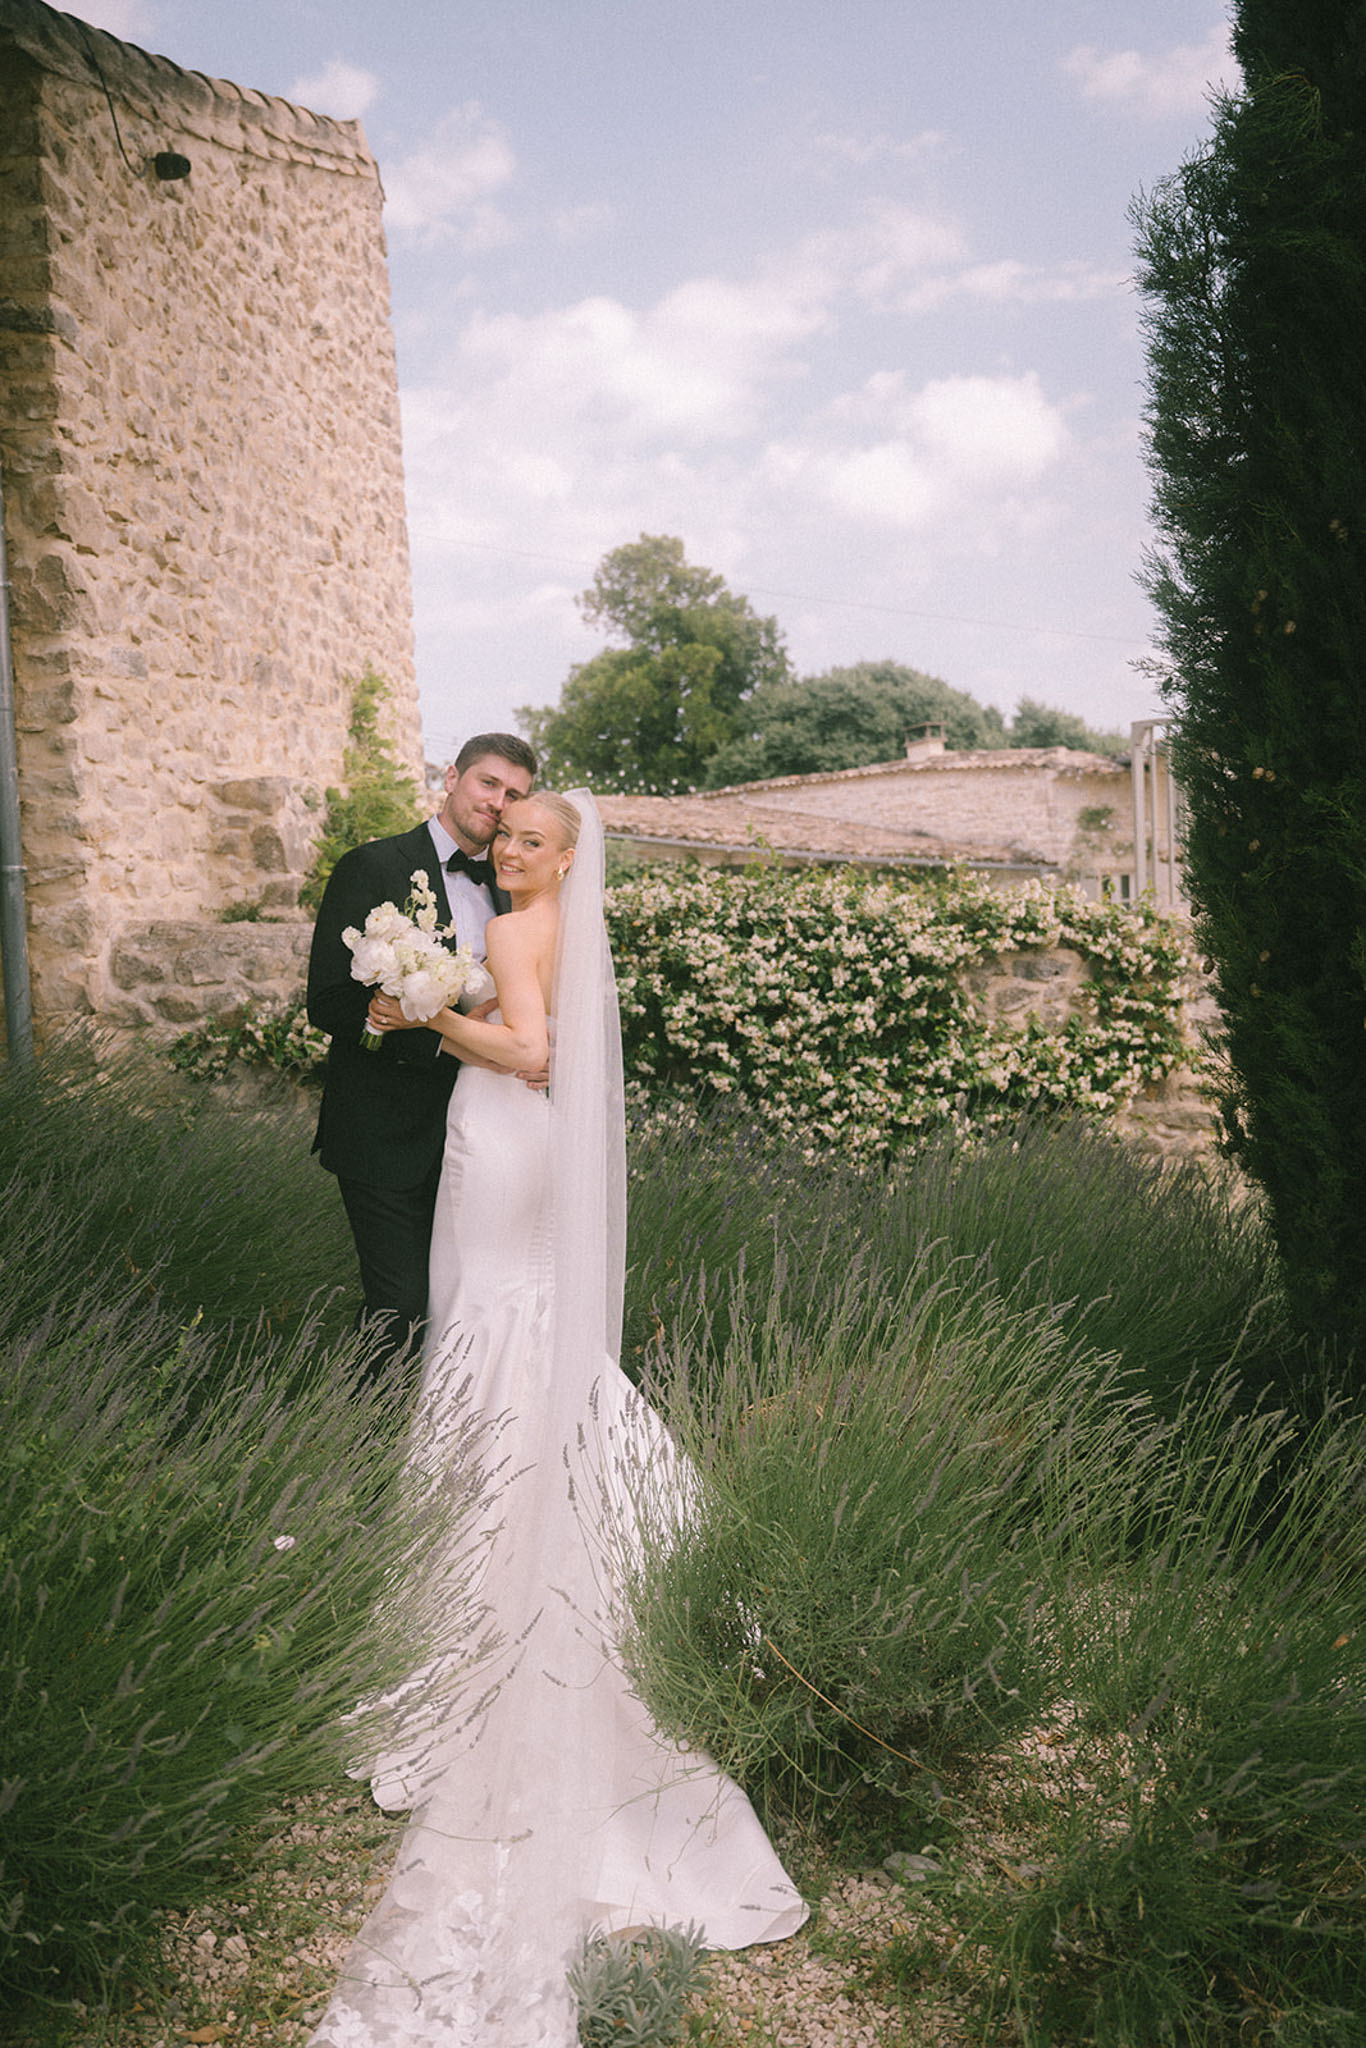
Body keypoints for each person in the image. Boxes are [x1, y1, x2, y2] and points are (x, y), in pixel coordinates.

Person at [308, 790, 807, 2048]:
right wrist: (442, 997)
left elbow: (529, 1055)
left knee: (493, 1326)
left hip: (506, 1136)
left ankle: (503, 1589)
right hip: (514, 1145)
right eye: (505, 836)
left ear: (567, 857)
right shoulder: (547, 927)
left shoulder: (527, 932)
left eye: (530, 839)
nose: (508, 849)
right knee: (505, 1330)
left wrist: (431, 1009)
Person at [305, 733, 537, 1365]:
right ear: (452, 778)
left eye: (514, 794)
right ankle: (361, 1444)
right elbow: (326, 1001)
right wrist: (389, 1020)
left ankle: (432, 1445)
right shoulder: (372, 865)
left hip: (478, 1132)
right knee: (400, 1304)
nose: (498, 802)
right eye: (488, 783)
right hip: (380, 1129)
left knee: (460, 1301)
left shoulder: (511, 887)